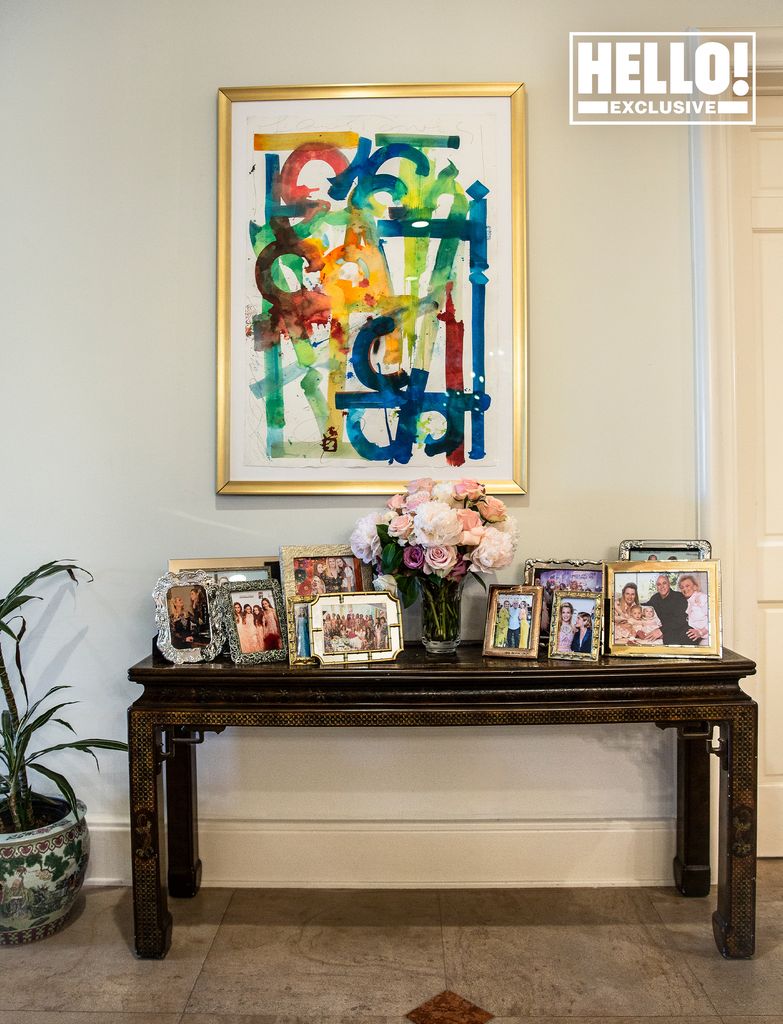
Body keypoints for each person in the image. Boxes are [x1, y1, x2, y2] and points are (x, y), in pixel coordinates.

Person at [645, 574, 694, 645]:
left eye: (664, 583)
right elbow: (644, 606)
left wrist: (661, 630)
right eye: (659, 584)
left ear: (669, 584)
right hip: (665, 631)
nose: (662, 587)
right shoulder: (655, 598)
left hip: (681, 630)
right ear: (657, 587)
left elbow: (680, 619)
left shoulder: (679, 596)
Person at [679, 574, 710, 645]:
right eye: (682, 587)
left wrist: (700, 632)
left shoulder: (702, 597)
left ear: (695, 587)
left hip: (707, 637)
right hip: (696, 637)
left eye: (687, 586)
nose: (684, 589)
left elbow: (714, 619)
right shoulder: (688, 602)